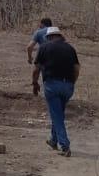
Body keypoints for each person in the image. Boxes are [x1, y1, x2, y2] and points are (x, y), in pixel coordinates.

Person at [31, 27, 79, 157]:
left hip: (52, 85)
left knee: (57, 115)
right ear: (60, 36)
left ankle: (65, 145)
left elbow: (36, 69)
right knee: (58, 113)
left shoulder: (44, 48)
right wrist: (71, 83)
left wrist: (35, 83)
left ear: (48, 37)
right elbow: (76, 68)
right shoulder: (70, 48)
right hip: (68, 85)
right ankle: (54, 140)